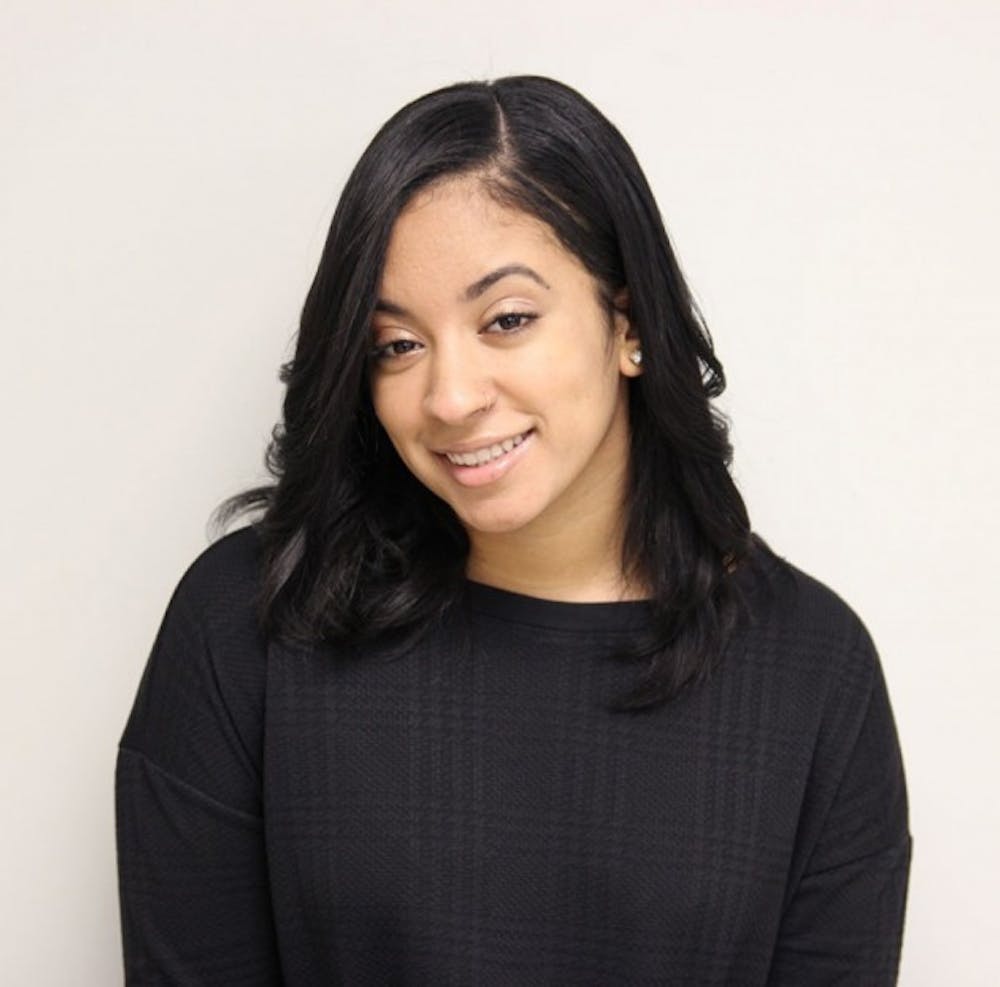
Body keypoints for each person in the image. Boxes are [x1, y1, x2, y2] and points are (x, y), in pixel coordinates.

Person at [115, 76, 911, 985]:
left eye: (507, 320)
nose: (451, 397)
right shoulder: (249, 624)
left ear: (629, 322)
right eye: (397, 344)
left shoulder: (812, 672)